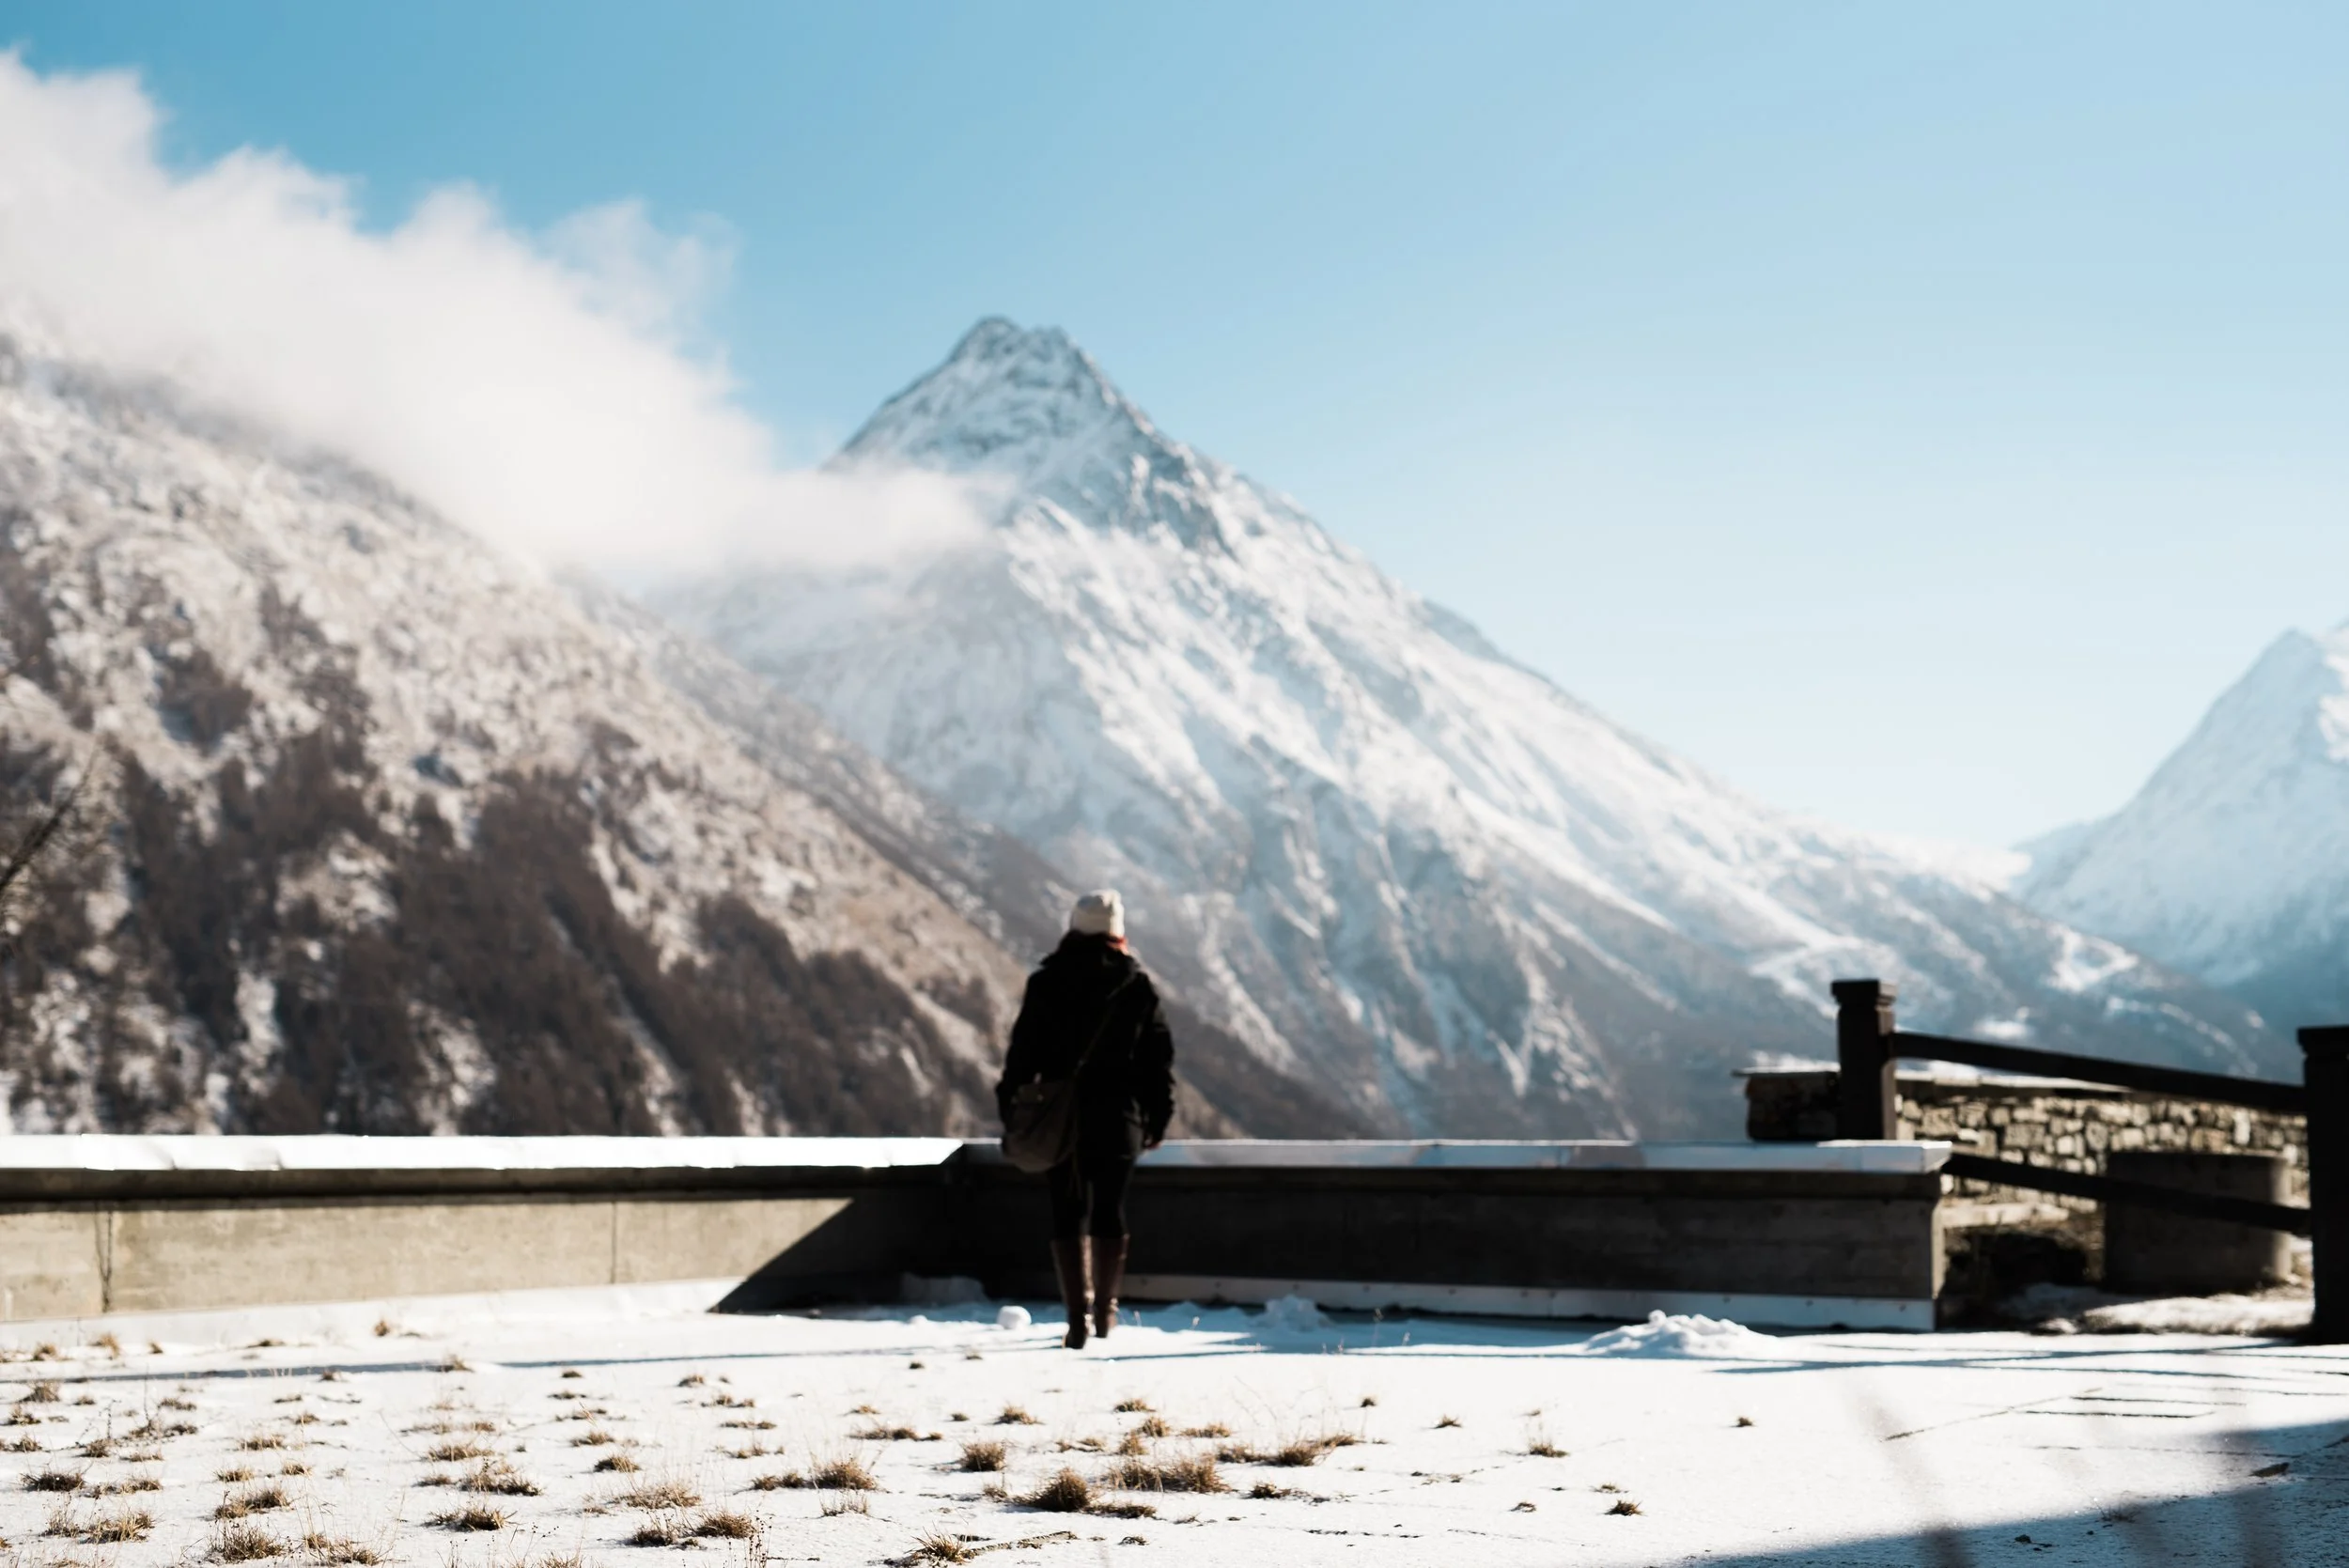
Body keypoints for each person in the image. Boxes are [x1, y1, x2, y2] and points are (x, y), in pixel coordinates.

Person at [997, 890, 1175, 1349]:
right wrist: (1157, 1118)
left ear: (1074, 927)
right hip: (1119, 1115)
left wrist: (1013, 1110)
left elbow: (1022, 1055)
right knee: (1110, 1208)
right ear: (1119, 931)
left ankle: (1075, 1319)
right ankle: (1105, 1313)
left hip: (1061, 1115)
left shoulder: (1047, 981)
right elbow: (1157, 1062)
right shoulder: (1136, 985)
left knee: (1066, 1208)